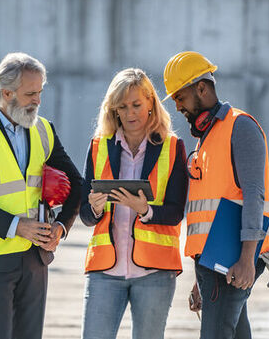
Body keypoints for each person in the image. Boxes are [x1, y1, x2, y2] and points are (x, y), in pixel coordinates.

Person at [0, 52, 82, 339]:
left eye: (40, 93)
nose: (38, 100)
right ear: (6, 93)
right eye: (30, 93)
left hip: (36, 258)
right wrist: (16, 226)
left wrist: (61, 227)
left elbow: (77, 183)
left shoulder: (44, 129)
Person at [163, 51, 269, 338]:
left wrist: (248, 259)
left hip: (234, 260)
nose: (177, 107)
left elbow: (254, 194)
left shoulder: (241, 127)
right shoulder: (206, 138)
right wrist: (200, 279)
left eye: (180, 97)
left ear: (201, 88)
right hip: (214, 262)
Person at [80, 68, 188, 339]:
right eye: (123, 107)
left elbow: (175, 212)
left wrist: (145, 210)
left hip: (154, 272)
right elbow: (84, 213)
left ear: (151, 102)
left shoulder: (173, 147)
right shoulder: (98, 146)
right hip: (105, 269)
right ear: (113, 110)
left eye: (137, 105)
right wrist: (93, 207)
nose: (130, 114)